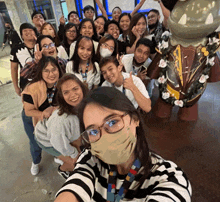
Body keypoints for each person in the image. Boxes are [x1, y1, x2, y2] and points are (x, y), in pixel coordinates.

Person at [55, 87, 192, 202]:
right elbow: (75, 185)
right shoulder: (90, 159)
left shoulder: (168, 177)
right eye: (93, 131)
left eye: (113, 122)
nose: (105, 138)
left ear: (135, 119)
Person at [34, 74, 88, 178]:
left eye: (75, 89)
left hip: (58, 134)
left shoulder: (84, 104)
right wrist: (73, 153)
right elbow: (57, 142)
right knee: (76, 163)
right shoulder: (62, 120)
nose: (72, 95)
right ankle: (64, 170)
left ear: (82, 88)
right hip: (45, 139)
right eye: (66, 92)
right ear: (61, 96)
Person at [22, 56, 63, 175]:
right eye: (46, 70)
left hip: (51, 117)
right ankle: (35, 161)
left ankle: (58, 156)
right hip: (32, 118)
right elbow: (28, 111)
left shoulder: (61, 84)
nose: (51, 74)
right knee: (35, 142)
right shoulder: (32, 88)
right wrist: (42, 113)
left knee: (55, 137)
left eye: (54, 69)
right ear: (41, 72)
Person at [10, 23, 38, 96]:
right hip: (26, 84)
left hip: (43, 80)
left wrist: (38, 42)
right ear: (21, 35)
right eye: (25, 31)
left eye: (30, 30)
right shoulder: (16, 49)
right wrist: (16, 87)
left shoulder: (41, 45)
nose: (28, 32)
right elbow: (14, 69)